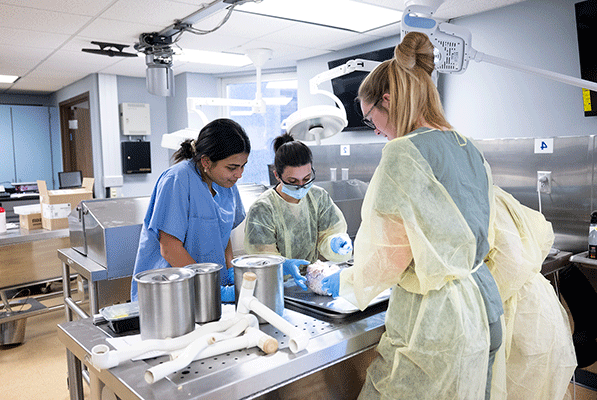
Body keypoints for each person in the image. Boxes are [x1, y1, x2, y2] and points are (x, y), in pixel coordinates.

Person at [320, 31, 504, 399]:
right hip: (485, 309)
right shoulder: (467, 147)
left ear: (387, 100)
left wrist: (335, 282)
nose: (376, 131)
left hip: (437, 324)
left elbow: (390, 258)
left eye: (371, 119)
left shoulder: (403, 154)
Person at [131, 118, 250, 303]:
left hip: (210, 290)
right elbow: (170, 249)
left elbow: (224, 233)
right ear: (206, 162)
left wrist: (231, 270)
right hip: (171, 293)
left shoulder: (226, 183)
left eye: (243, 166)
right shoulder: (177, 180)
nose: (239, 174)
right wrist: (208, 287)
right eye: (232, 167)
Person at [485, 186, 576, 399]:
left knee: (523, 386)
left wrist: (475, 298)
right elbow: (544, 233)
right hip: (537, 302)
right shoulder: (494, 192)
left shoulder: (485, 198)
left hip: (520, 314)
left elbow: (511, 264)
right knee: (541, 385)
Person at [244, 133, 353, 290]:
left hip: (311, 281)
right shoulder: (263, 208)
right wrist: (283, 266)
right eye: (293, 181)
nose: (302, 186)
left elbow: (328, 236)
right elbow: (262, 259)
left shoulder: (318, 197)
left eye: (307, 178)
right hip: (274, 286)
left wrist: (335, 243)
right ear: (277, 175)